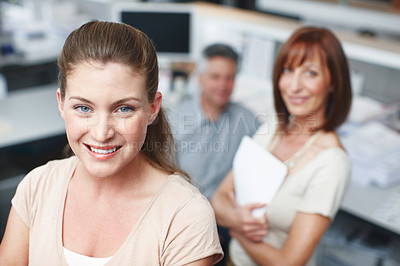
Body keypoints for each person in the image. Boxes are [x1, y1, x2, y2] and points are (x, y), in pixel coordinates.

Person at [0, 20, 223, 265]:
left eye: (123, 109)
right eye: (83, 108)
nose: (101, 132)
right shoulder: (37, 186)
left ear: (153, 108)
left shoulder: (185, 216)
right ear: (61, 104)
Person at [211, 26, 352, 266]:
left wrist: (237, 229)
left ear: (333, 83)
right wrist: (237, 219)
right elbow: (218, 199)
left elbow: (288, 263)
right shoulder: (274, 126)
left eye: (310, 73)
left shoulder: (332, 163)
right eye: (288, 70)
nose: (293, 86)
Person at [168, 43, 261, 200]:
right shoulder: (175, 120)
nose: (223, 85)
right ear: (200, 78)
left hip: (225, 213)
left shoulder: (247, 119)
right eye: (215, 77)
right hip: (183, 209)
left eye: (229, 77)